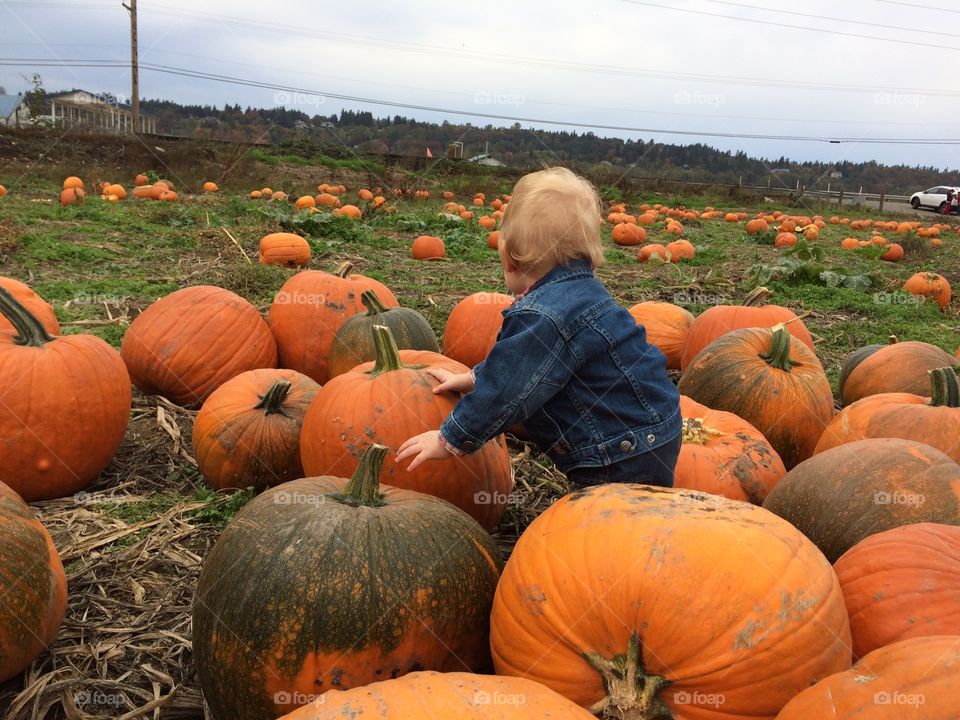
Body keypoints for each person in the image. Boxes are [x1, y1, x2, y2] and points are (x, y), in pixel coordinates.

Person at [395, 167, 682, 487]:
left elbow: (507, 390)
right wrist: (472, 378)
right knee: (637, 515)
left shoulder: (542, 316)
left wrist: (451, 438)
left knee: (605, 522)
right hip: (657, 426)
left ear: (509, 257)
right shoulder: (587, 291)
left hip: (618, 451)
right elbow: (523, 364)